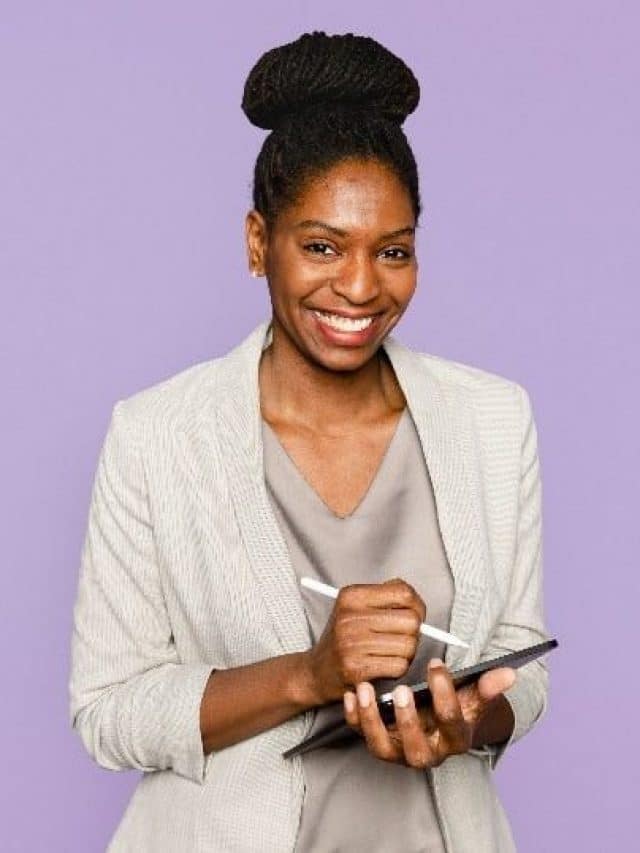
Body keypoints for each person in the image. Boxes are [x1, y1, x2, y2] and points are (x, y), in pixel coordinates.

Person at [68, 31, 550, 853]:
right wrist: (308, 675)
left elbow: (521, 665)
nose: (360, 286)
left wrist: (468, 720)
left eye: (392, 251)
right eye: (321, 246)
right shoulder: (156, 435)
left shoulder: (494, 420)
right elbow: (107, 710)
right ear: (260, 243)